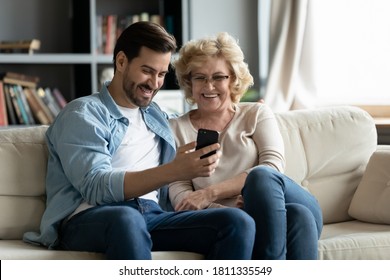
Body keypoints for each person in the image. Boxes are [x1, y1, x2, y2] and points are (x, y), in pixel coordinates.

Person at [23, 22, 256, 260]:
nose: (154, 83)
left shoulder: (160, 118)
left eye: (162, 74)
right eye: (147, 70)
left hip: (153, 216)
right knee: (127, 218)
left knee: (236, 222)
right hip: (91, 218)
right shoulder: (83, 114)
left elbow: (206, 116)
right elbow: (95, 186)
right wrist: (171, 171)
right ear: (121, 62)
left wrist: (242, 114)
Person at [168, 32, 323, 260]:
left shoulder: (256, 113)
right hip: (242, 218)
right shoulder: (175, 129)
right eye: (200, 77)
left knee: (262, 176)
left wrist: (211, 193)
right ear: (189, 82)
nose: (209, 86)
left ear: (233, 80)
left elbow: (274, 166)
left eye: (219, 77)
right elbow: (180, 193)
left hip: (285, 198)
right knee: (298, 216)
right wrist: (232, 213)